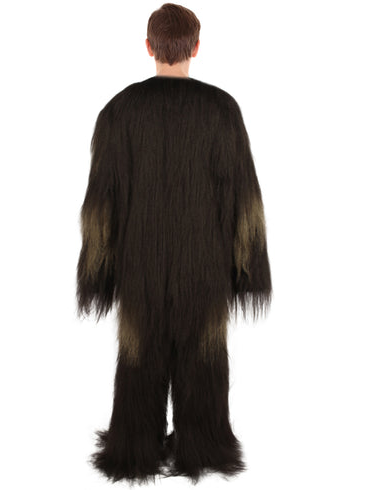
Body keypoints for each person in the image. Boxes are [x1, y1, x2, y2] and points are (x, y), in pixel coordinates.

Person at [76, 2, 272, 485]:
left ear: (148, 47)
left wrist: (98, 275)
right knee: (204, 359)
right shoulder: (222, 110)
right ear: (196, 47)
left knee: (138, 359)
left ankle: (134, 449)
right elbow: (244, 198)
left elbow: (101, 204)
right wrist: (247, 270)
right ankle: (202, 448)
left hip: (139, 266)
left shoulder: (118, 111)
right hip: (204, 266)